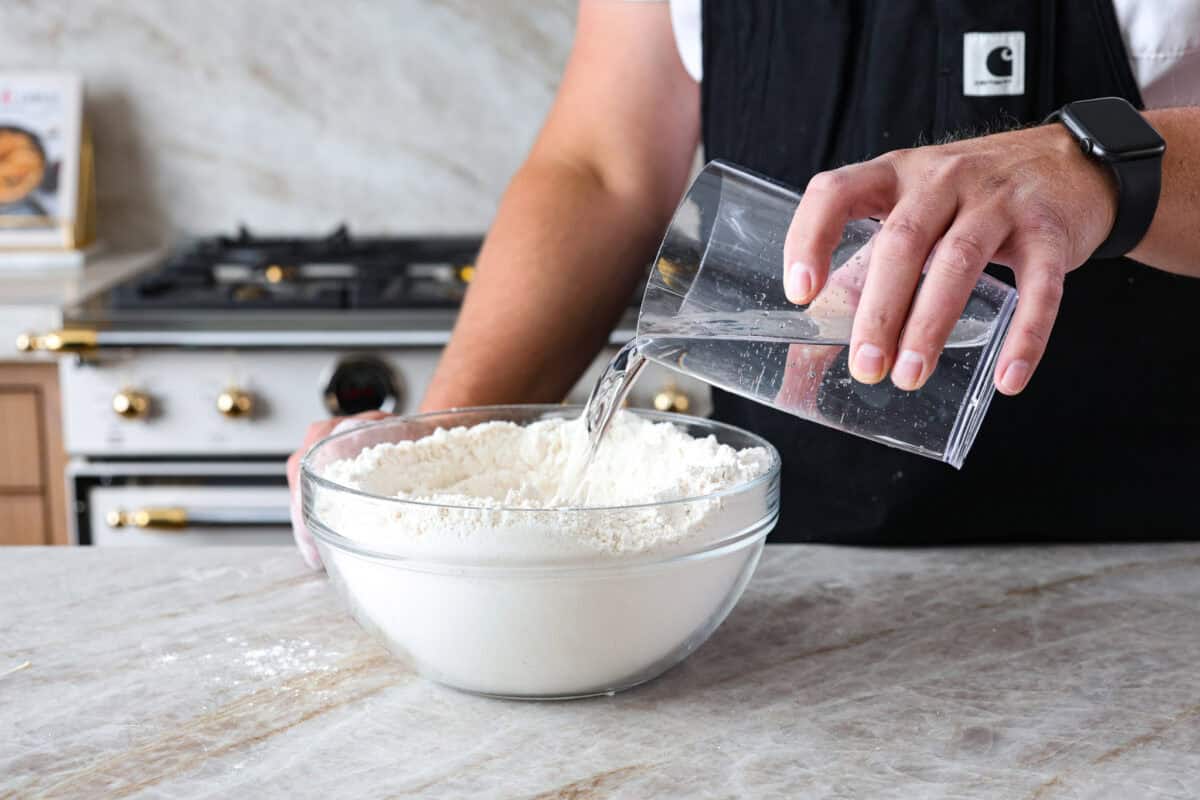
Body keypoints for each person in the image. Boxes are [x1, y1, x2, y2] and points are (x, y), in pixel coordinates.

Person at [290, 0, 1200, 567]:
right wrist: (425, 461)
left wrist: (1099, 170)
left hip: (1163, 567)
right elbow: (605, 166)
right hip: (784, 586)